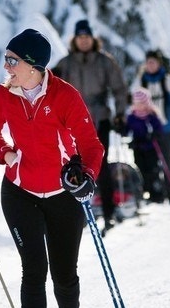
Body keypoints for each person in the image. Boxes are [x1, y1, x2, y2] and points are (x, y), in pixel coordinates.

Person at [0, 28, 103, 308]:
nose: (7, 67)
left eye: (13, 61)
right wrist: (4, 152)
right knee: (33, 270)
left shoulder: (64, 96)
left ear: (33, 65)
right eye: (7, 60)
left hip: (63, 195)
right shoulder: (4, 95)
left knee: (64, 274)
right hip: (20, 193)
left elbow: (91, 145)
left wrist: (88, 176)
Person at [51, 18, 129, 227]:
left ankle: (109, 211)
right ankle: (78, 214)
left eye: (86, 37)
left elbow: (119, 89)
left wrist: (120, 115)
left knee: (99, 164)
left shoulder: (105, 61)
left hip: (100, 118)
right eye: (80, 37)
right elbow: (50, 85)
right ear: (74, 40)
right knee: (74, 165)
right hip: (73, 121)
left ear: (93, 39)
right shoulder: (66, 63)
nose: (83, 41)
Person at [131, 49, 170, 204]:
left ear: (159, 63)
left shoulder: (167, 80)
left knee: (166, 160)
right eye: (148, 62)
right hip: (146, 130)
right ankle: (155, 193)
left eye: (153, 62)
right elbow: (132, 98)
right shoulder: (141, 80)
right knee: (149, 163)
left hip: (165, 127)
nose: (150, 65)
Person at [123, 88, 170, 202]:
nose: (139, 106)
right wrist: (121, 128)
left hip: (151, 148)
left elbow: (159, 130)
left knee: (153, 170)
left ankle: (157, 193)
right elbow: (127, 129)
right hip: (138, 148)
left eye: (142, 104)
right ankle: (145, 190)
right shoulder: (132, 117)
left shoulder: (152, 116)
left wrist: (155, 135)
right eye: (137, 103)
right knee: (141, 169)